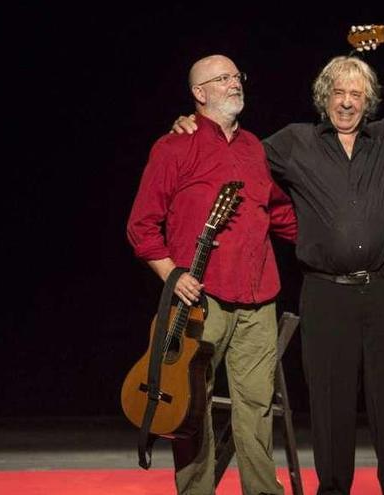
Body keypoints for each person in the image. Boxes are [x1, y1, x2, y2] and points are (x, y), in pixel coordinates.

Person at [173, 18, 384, 494]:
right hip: (326, 295)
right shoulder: (294, 143)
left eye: (357, 95)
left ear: (369, 102)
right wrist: (191, 123)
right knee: (329, 404)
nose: (347, 101)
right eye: (338, 92)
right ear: (324, 97)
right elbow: (235, 153)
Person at [127, 54, 296, 495]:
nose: (233, 84)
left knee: (257, 407)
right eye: (221, 79)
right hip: (202, 300)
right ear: (199, 94)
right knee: (191, 407)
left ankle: (262, 490)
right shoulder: (173, 147)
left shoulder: (254, 148)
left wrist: (334, 240)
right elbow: (141, 226)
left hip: (259, 298)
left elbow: (278, 213)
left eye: (236, 76)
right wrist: (171, 274)